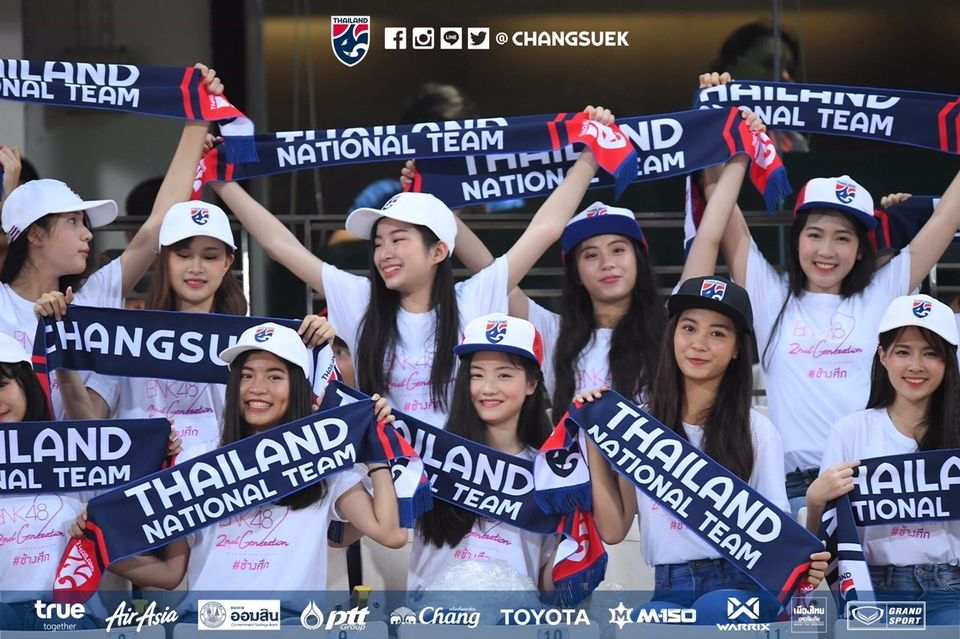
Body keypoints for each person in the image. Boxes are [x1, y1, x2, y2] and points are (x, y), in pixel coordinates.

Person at [211, 105, 615, 426]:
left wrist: (590, 156)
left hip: (463, 483)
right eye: (378, 243)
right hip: (387, 482)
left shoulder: (473, 298)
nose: (384, 253)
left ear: (438, 251)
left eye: (398, 240)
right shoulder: (361, 299)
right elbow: (281, 246)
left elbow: (544, 229)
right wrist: (220, 181)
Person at [697, 72, 960, 515]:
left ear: (860, 250)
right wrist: (714, 117)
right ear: (797, 239)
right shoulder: (770, 296)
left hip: (876, 486)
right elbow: (723, 214)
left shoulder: (883, 292)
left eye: (842, 238)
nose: (826, 251)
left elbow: (946, 218)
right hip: (793, 490)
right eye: (815, 234)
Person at [424, 111, 764, 412]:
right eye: (590, 255)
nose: (607, 263)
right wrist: (429, 198)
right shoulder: (551, 331)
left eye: (618, 250)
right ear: (575, 272)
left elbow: (709, 236)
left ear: (639, 259)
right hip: (568, 465)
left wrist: (736, 148)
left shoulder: (673, 325)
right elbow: (491, 272)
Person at [70, 322, 406, 617]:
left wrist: (376, 452)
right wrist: (98, 542)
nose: (256, 388)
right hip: (207, 624)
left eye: (274, 376)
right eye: (246, 375)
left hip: (291, 624)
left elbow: (390, 534)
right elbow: (170, 573)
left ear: (298, 387)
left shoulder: (324, 464)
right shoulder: (194, 461)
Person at [583, 276, 829, 623]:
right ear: (672, 335)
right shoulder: (639, 427)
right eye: (689, 328)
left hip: (743, 587)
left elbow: (773, 537)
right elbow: (613, 530)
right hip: (669, 588)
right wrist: (595, 437)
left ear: (737, 348)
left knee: (714, 610)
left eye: (717, 333)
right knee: (648, 622)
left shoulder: (757, 431)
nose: (699, 344)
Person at [0, 64, 223, 417]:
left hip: (74, 453)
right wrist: (10, 195)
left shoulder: (94, 295)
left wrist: (198, 117)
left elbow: (157, 224)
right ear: (35, 234)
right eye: (73, 221)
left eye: (85, 223)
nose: (88, 233)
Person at [0, 333, 179, 630]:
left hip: (70, 615)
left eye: (1, 385)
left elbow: (163, 567)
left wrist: (163, 463)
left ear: (25, 384)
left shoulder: (83, 452)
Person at [806, 295, 960, 625]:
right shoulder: (850, 431)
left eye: (931, 353)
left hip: (950, 590)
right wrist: (815, 502)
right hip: (872, 589)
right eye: (903, 352)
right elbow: (819, 549)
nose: (916, 365)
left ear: (948, 361)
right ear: (883, 356)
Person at [53, 202, 248, 449]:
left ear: (228, 262)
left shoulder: (246, 341)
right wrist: (61, 347)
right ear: (162, 258)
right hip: (144, 474)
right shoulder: (127, 337)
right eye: (183, 255)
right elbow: (88, 426)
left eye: (210, 257)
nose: (196, 268)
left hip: (220, 474)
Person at [409, 313, 558, 595]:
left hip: (515, 616)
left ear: (531, 384)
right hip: (431, 615)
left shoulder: (549, 475)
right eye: (477, 375)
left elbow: (548, 586)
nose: (487, 389)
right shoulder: (429, 456)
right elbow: (377, 530)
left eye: (504, 375)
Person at [713, 21, 808, 153]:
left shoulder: (794, 144)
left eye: (790, 70)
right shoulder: (706, 131)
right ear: (731, 67)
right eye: (770, 64)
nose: (785, 76)